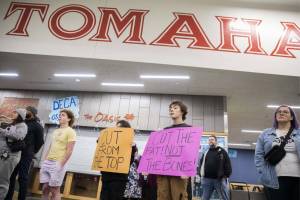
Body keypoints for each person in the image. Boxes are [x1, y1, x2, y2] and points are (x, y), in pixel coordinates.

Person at [255, 105, 300, 200]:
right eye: (279, 111)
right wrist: (263, 171)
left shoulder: (299, 133)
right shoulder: (265, 134)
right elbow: (259, 155)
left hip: (297, 177)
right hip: (275, 178)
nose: (281, 113)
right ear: (275, 116)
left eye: (285, 112)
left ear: (292, 117)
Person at [5, 106, 44, 200]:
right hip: (15, 153)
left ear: (32, 113)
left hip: (26, 155)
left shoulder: (37, 125)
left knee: (23, 177)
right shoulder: (22, 123)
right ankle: (8, 197)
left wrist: (32, 151)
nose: (25, 112)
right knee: (11, 176)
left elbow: (40, 142)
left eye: (27, 111)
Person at [156, 100, 192, 200]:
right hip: (163, 171)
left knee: (178, 196)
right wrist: (148, 168)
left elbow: (191, 152)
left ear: (182, 112)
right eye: (170, 108)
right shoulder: (165, 130)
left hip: (179, 172)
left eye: (175, 108)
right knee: (162, 196)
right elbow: (159, 152)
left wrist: (187, 170)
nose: (172, 110)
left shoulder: (189, 129)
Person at [40, 109, 77, 200]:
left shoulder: (70, 131)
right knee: (45, 188)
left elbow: (70, 150)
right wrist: (45, 160)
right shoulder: (56, 131)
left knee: (54, 189)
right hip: (48, 161)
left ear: (69, 119)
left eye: (63, 115)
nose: (60, 116)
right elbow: (51, 146)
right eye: (60, 115)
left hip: (58, 162)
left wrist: (60, 164)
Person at [100, 120, 136, 200]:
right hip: (106, 177)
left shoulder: (130, 145)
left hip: (118, 179)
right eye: (115, 127)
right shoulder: (109, 142)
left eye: (118, 127)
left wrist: (132, 148)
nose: (115, 129)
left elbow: (129, 162)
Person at [0, 108, 28, 199]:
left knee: (3, 180)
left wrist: (2, 130)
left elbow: (18, 136)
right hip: (3, 154)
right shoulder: (13, 124)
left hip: (10, 156)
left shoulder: (22, 125)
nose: (12, 113)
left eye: (15, 112)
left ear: (20, 115)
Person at [199, 135, 232, 200]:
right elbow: (201, 163)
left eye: (212, 139)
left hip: (219, 180)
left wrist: (226, 175)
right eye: (209, 140)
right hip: (207, 179)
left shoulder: (222, 151)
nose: (210, 141)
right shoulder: (206, 152)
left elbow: (228, 164)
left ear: (216, 141)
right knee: (205, 198)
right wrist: (200, 173)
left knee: (224, 198)